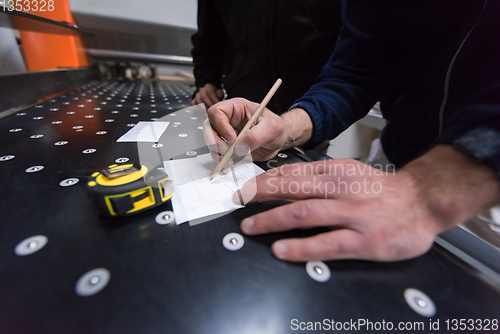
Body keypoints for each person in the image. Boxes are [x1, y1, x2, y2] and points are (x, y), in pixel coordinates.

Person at [204, 0, 500, 262]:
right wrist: (286, 128)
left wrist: (422, 191)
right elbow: (354, 74)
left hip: (485, 184)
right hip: (394, 160)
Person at [190, 0, 343, 114]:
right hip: (240, 105)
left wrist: (312, 115)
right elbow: (209, 38)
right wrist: (206, 80)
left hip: (309, 108)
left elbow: (345, 45)